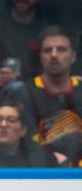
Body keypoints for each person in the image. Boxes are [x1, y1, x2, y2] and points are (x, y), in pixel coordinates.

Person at [4, 25, 82, 166]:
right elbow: (22, 145)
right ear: (40, 57)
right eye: (47, 50)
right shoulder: (22, 94)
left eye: (61, 49)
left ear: (73, 56)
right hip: (39, 175)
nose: (53, 55)